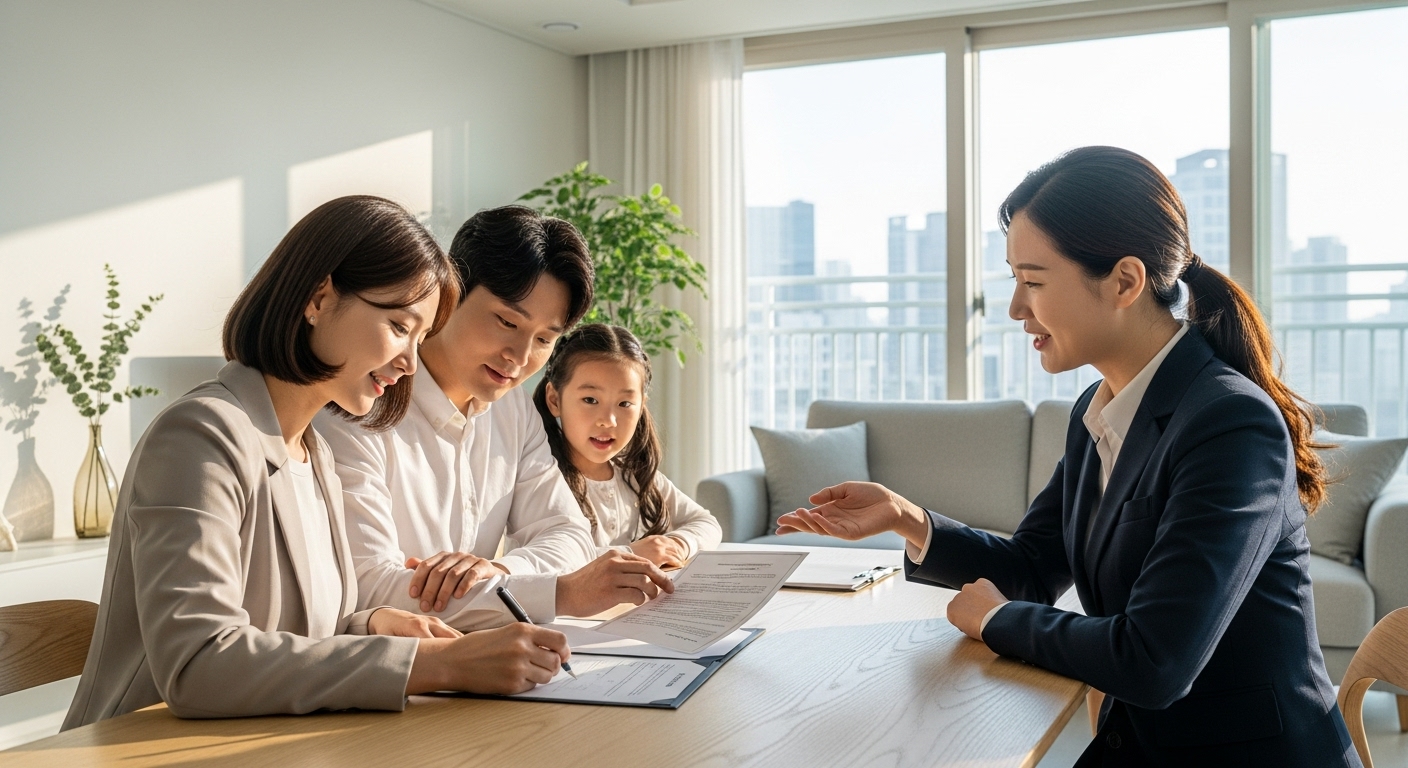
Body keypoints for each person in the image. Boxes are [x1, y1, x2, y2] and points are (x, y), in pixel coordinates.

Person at [775, 147, 1360, 766]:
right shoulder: (1100, 410)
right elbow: (1032, 567)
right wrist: (906, 518)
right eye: (1014, 280)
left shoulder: (1229, 423)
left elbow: (1155, 660)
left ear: (1125, 282)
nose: (1015, 308)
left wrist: (997, 621)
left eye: (1033, 282)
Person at [65, 196, 572, 729]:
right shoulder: (198, 436)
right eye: (399, 326)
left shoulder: (316, 454)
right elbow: (197, 664)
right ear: (319, 298)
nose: (408, 363)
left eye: (420, 338)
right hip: (143, 749)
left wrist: (372, 625)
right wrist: (435, 664)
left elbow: (299, 635)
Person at [316, 205, 673, 632]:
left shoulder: (513, 408)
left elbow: (569, 533)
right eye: (507, 322)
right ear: (451, 292)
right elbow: (371, 589)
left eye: (544, 339)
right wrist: (559, 593)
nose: (520, 358)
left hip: (488, 651)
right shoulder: (359, 401)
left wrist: (499, 572)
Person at [532, 324, 722, 567]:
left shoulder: (636, 476)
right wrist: (631, 553)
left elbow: (707, 523)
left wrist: (676, 544)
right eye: (590, 400)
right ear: (554, 399)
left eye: (624, 404)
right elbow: (544, 561)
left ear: (641, 406)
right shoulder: (539, 479)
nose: (608, 421)